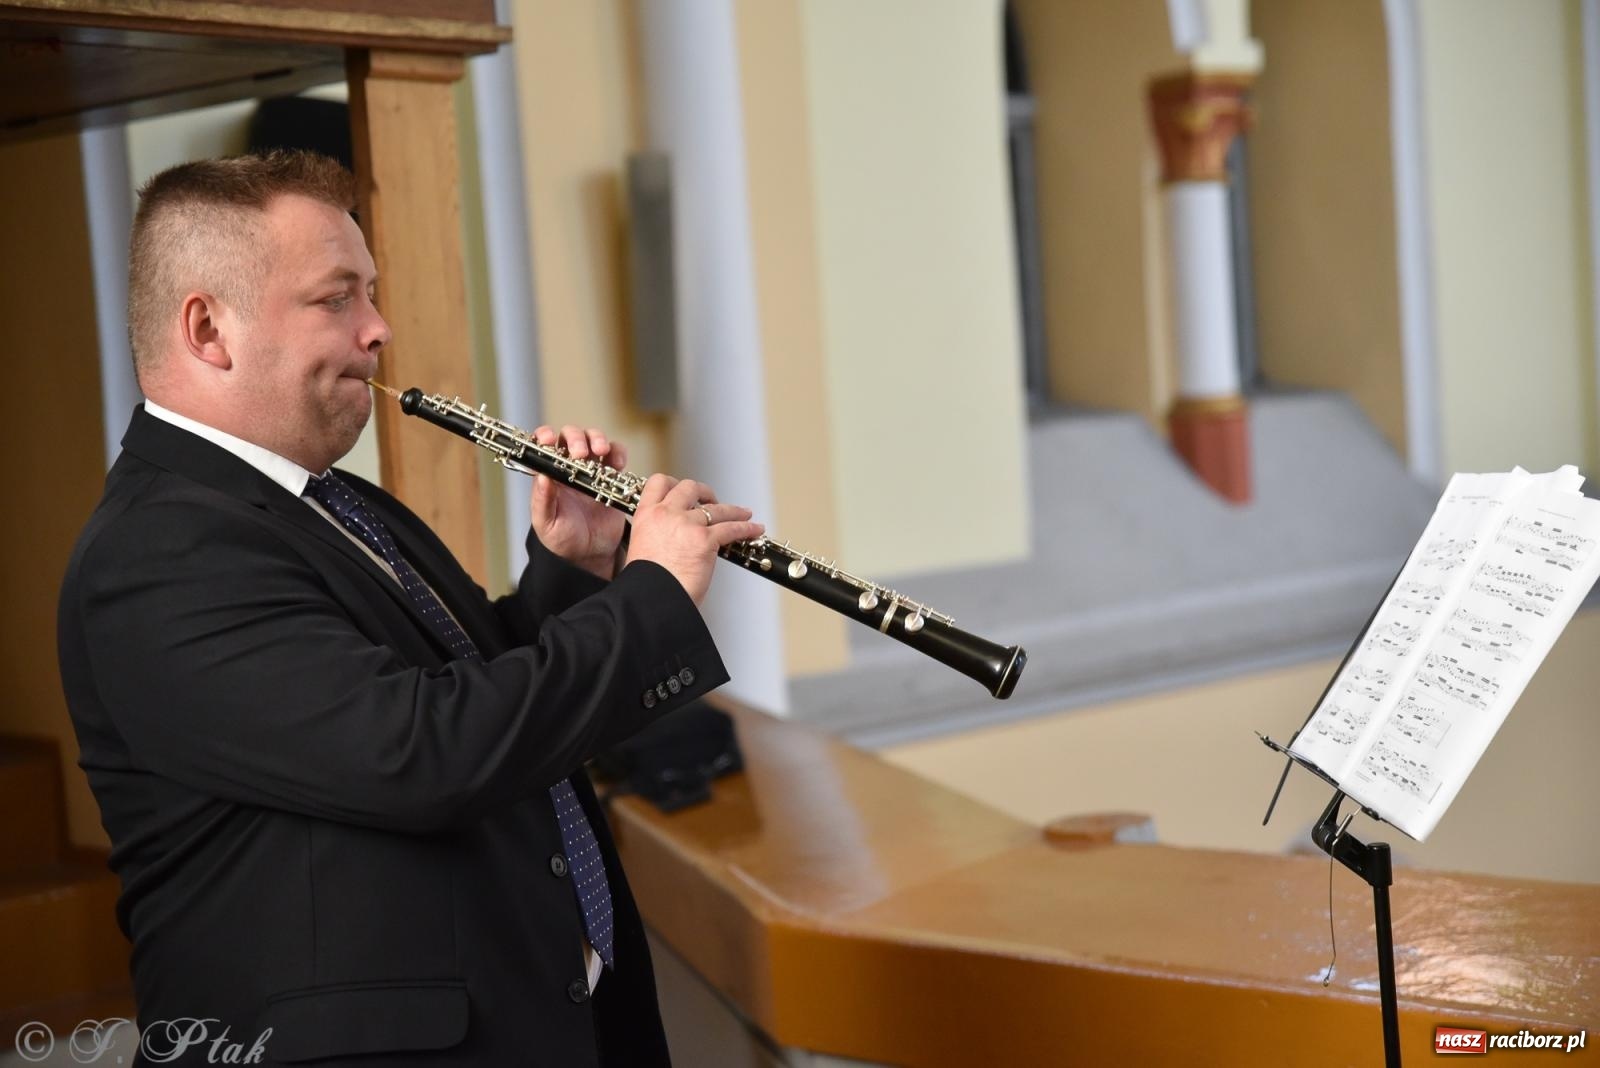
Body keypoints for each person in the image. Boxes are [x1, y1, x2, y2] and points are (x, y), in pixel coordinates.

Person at [56, 149, 763, 1067]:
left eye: (372, 292)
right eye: (336, 297)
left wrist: (571, 567)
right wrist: (653, 593)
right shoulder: (159, 554)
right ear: (207, 329)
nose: (379, 328)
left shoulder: (340, 502)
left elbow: (471, 681)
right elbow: (424, 753)